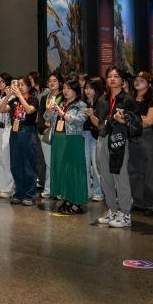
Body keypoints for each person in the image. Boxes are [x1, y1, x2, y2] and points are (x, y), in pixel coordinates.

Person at [96, 66, 140, 229]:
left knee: (120, 176)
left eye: (116, 76)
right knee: (105, 176)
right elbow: (100, 121)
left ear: (122, 80)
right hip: (103, 138)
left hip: (119, 140)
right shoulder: (102, 99)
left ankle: (125, 213)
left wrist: (124, 121)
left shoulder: (127, 100)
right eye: (110, 76)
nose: (113, 79)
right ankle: (112, 210)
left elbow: (137, 124)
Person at [50, 78, 89, 215]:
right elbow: (48, 119)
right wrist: (50, 111)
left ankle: (77, 202)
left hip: (73, 139)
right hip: (59, 138)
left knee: (74, 170)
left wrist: (63, 114)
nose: (65, 91)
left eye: (69, 88)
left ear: (76, 90)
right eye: (64, 88)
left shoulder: (81, 105)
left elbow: (80, 121)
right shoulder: (61, 103)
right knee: (64, 171)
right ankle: (68, 198)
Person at [128, 71, 153, 215]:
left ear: (149, 84)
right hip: (132, 135)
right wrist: (135, 118)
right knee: (134, 171)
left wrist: (132, 117)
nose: (137, 82)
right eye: (136, 79)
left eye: (141, 80)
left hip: (147, 137)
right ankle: (139, 201)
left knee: (151, 171)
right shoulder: (130, 99)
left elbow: (149, 121)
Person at [8, 77, 40, 206]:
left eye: (22, 85)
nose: (20, 87)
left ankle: (30, 194)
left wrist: (20, 96)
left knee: (28, 164)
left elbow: (29, 110)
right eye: (18, 85)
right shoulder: (14, 100)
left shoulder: (33, 100)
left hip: (27, 132)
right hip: (15, 132)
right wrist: (9, 95)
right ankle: (19, 193)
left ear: (28, 86)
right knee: (16, 164)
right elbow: (1, 108)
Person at [38, 73, 62, 198]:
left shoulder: (63, 96)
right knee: (48, 162)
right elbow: (40, 115)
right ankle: (48, 189)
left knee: (58, 162)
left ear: (60, 83)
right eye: (50, 81)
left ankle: (59, 189)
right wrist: (43, 129)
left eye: (55, 80)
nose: (52, 83)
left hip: (59, 132)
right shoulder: (44, 98)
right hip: (46, 133)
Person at [83, 76, 106, 202]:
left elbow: (100, 124)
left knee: (97, 166)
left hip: (96, 137)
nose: (88, 91)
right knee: (85, 164)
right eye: (86, 88)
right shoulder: (83, 102)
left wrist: (91, 115)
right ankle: (87, 191)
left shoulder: (101, 102)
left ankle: (98, 191)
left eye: (91, 88)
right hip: (84, 135)